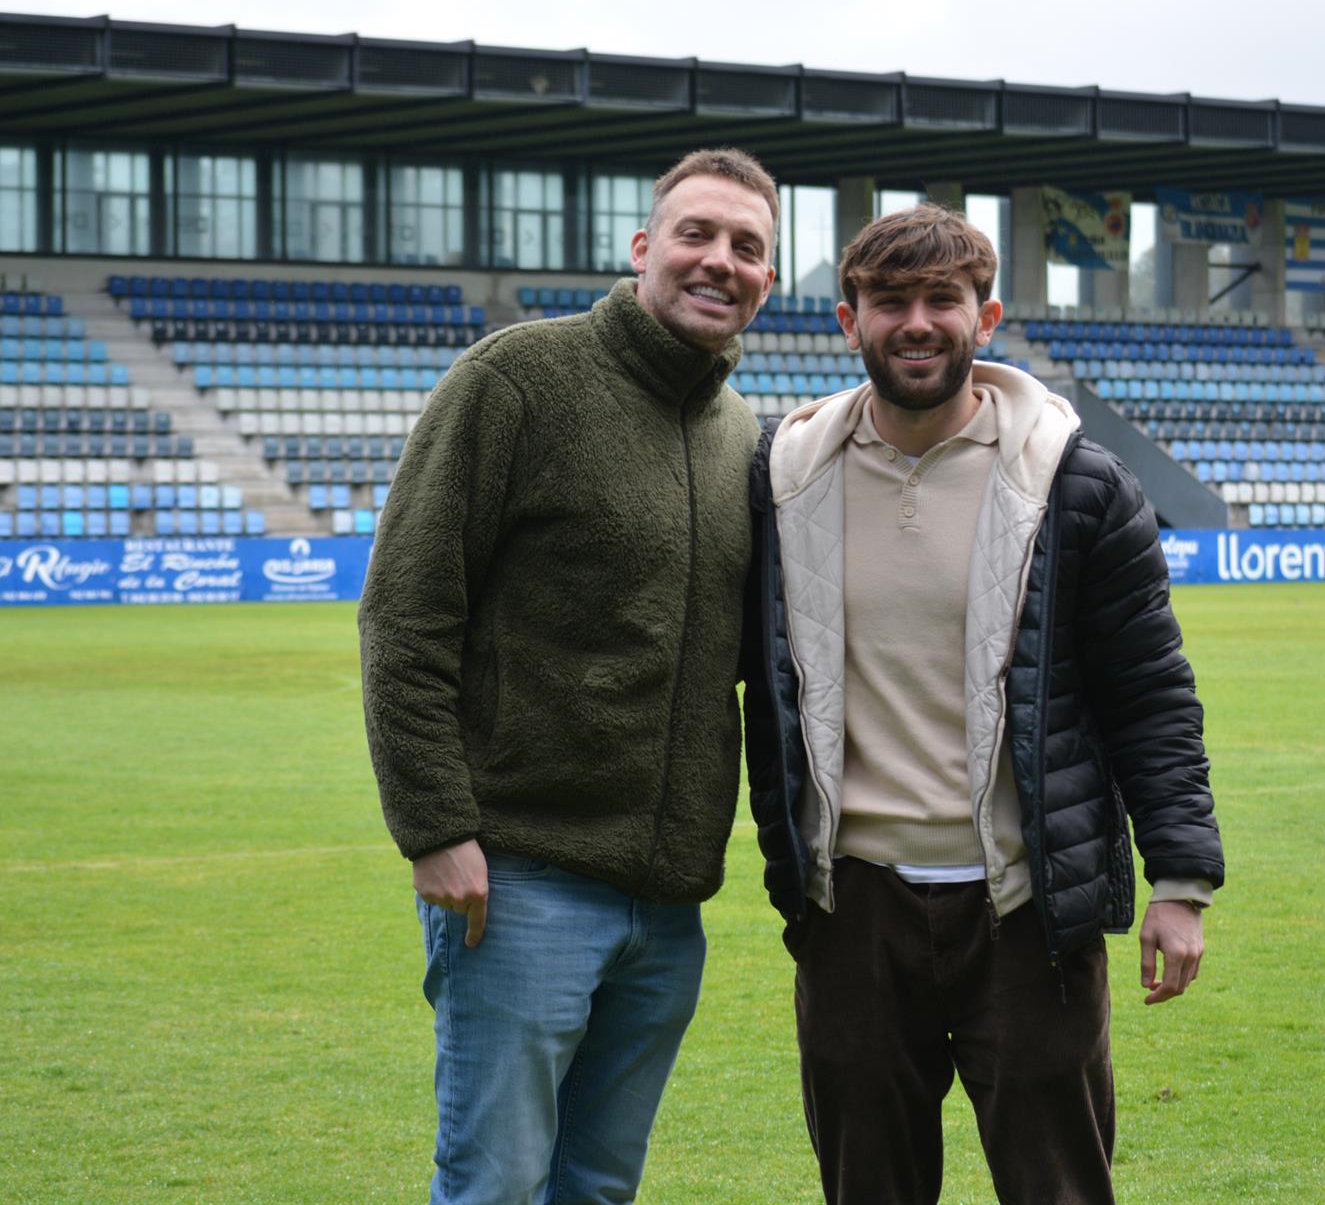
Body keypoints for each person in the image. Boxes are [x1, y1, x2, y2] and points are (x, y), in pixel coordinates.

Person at [741, 203, 1224, 1205]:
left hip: (1026, 903)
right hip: (852, 903)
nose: (916, 322)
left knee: (1059, 1187)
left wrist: (1178, 876)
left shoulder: (1078, 486)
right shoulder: (784, 480)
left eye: (942, 300)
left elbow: (1150, 690)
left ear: (987, 315)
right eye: (889, 302)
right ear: (848, 321)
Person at [359, 148, 776, 1205]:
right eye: (696, 234)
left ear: (769, 279)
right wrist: (435, 824)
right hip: (520, 878)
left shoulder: (739, 434)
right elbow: (407, 611)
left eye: (748, 246)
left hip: (668, 905)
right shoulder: (517, 378)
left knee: (597, 1187)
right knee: (495, 1182)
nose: (719, 260)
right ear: (643, 248)